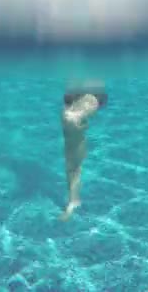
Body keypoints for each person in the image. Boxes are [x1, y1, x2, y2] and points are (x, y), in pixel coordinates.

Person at [59, 80, 107, 221]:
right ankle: (74, 200)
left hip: (75, 145)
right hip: (77, 142)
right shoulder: (72, 113)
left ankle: (73, 201)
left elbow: (74, 122)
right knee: (74, 168)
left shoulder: (69, 114)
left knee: (73, 169)